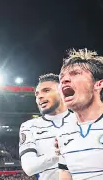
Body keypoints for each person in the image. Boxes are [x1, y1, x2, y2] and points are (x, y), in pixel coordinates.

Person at [56, 49, 103, 180]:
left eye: (75, 73)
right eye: (61, 78)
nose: (64, 80)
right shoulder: (63, 133)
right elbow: (65, 175)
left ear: (98, 84)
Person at [19, 73, 77, 180]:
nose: (39, 96)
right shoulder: (29, 126)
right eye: (37, 94)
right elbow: (29, 168)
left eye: (46, 90)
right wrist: (57, 153)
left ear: (62, 91)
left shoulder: (82, 120)